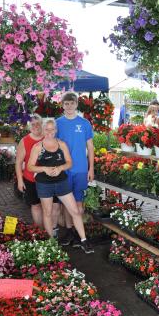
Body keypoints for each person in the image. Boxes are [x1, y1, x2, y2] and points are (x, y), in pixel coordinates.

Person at [28, 118, 94, 253]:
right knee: (48, 212)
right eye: (47, 129)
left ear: (56, 130)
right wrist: (44, 169)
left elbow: (69, 163)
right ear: (43, 130)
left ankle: (83, 240)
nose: (50, 132)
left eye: (52, 129)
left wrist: (60, 168)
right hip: (44, 184)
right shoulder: (37, 147)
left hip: (61, 182)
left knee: (75, 211)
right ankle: (52, 241)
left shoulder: (61, 144)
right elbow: (30, 166)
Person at [56, 92, 94, 246]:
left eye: (72, 103)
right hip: (64, 169)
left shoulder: (84, 123)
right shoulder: (58, 123)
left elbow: (90, 148)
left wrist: (91, 169)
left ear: (77, 104)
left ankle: (80, 234)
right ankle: (69, 231)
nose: (69, 106)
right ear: (62, 105)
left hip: (80, 169)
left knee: (78, 204)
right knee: (66, 203)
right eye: (66, 103)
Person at [15, 114, 60, 230]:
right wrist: (20, 181)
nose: (35, 126)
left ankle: (53, 230)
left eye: (38, 124)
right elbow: (18, 163)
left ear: (42, 125)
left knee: (54, 206)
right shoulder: (24, 141)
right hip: (31, 179)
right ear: (29, 126)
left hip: (50, 179)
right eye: (32, 124)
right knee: (36, 206)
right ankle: (40, 231)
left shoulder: (49, 137)